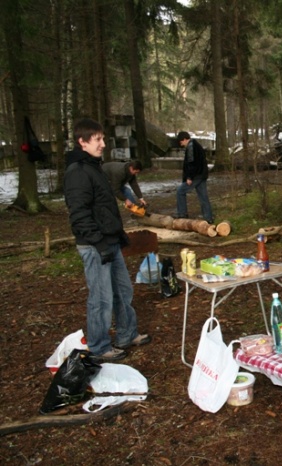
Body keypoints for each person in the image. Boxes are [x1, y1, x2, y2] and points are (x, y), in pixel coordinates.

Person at [64, 118, 152, 361]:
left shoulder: (94, 167)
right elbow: (79, 215)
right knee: (100, 298)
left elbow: (104, 207)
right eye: (98, 139)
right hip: (94, 245)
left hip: (110, 241)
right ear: (82, 142)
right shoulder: (77, 172)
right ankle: (100, 346)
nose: (103, 144)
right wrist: (99, 242)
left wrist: (117, 236)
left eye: (103, 138)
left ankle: (126, 334)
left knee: (123, 291)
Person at [176, 131, 213, 223]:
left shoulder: (191, 147)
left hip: (196, 176)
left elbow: (192, 163)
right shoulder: (195, 145)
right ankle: (208, 217)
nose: (181, 144)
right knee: (203, 196)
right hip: (201, 174)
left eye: (181, 142)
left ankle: (182, 213)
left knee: (180, 191)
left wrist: (189, 177)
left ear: (184, 139)